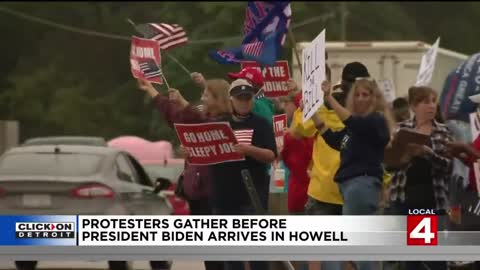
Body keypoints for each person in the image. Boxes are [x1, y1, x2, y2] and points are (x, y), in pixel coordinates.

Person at [138, 78, 229, 270]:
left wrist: (183, 104)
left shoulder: (227, 122)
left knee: (219, 251)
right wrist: (154, 92)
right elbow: (177, 118)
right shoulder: (198, 117)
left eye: (206, 95)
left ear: (219, 99)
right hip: (197, 193)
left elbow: (198, 120)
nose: (202, 98)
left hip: (218, 195)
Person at [312, 77, 395, 270]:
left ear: (375, 98)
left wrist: (329, 99)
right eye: (356, 95)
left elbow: (351, 121)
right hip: (352, 187)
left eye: (365, 94)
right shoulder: (354, 129)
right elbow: (335, 140)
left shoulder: (376, 120)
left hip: (361, 185)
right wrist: (314, 116)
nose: (360, 98)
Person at [387, 86, 454, 270]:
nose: (431, 106)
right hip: (404, 200)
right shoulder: (401, 130)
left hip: (432, 201)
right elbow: (390, 166)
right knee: (411, 259)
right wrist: (403, 155)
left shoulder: (443, 131)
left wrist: (428, 153)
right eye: (426, 102)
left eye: (434, 101)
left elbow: (448, 167)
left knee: (434, 258)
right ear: (414, 106)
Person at [279, 91, 314, 215]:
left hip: (298, 195)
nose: (283, 107)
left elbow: (288, 161)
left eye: (287, 103)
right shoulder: (321, 131)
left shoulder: (290, 138)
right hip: (320, 195)